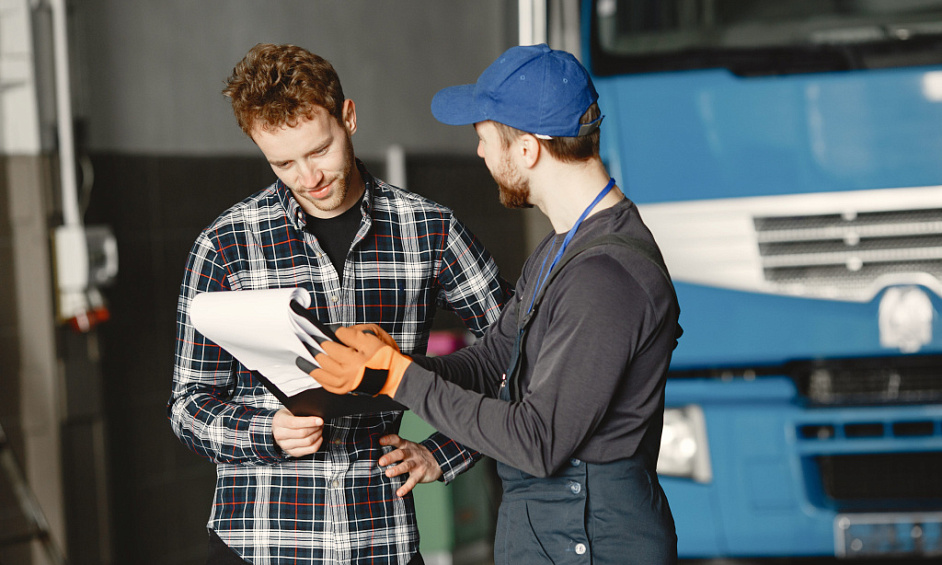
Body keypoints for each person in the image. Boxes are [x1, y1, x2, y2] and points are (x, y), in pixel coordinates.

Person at [306, 44, 682, 564]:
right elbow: (491, 364)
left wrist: (398, 379)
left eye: (484, 137)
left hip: (592, 543)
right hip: (553, 536)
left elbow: (538, 440)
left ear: (527, 149)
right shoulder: (561, 249)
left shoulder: (605, 278)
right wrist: (395, 362)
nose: (481, 153)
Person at [168, 43, 511, 565]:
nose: (309, 178)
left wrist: (444, 454)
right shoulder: (225, 245)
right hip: (259, 543)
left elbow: (518, 353)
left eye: (319, 151)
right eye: (284, 163)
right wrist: (267, 432)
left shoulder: (430, 230)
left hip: (380, 541)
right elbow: (188, 403)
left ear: (348, 117)